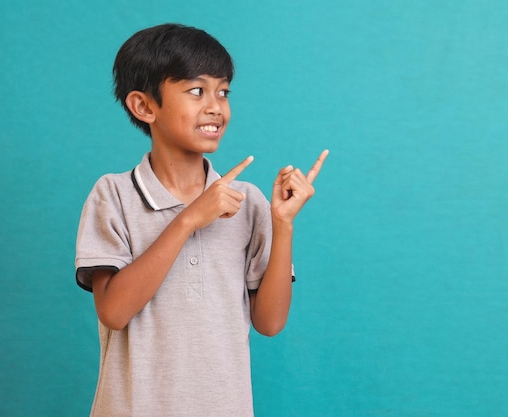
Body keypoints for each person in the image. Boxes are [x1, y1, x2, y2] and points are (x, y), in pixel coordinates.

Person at [75, 23, 328, 417]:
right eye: (197, 91)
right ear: (144, 106)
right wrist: (188, 219)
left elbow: (270, 322)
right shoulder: (114, 195)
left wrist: (283, 224)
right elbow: (113, 312)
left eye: (223, 92)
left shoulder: (249, 202)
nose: (215, 107)